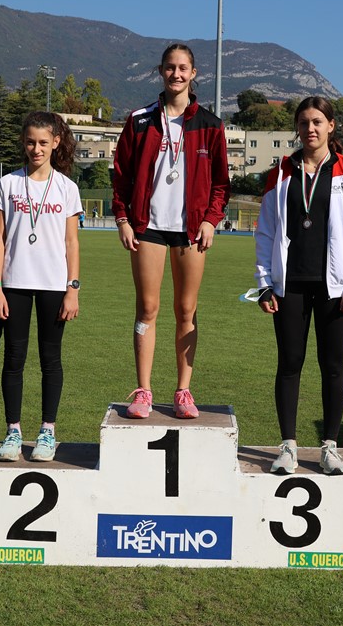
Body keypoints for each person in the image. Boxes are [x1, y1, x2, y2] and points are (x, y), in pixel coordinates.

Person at [254, 97, 343, 475]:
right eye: (304, 122)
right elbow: (266, 232)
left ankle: (330, 448)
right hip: (288, 284)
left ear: (331, 126)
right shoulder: (279, 173)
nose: (310, 128)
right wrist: (264, 283)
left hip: (334, 287)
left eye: (317, 121)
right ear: (297, 127)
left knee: (333, 365)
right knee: (289, 364)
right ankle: (288, 447)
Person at [112, 43, 230, 419]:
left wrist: (211, 220)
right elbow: (121, 176)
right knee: (147, 307)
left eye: (182, 68)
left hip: (191, 230)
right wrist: (122, 219)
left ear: (193, 74)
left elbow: (221, 183)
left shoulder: (210, 125)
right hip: (147, 227)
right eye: (169, 67)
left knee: (186, 309)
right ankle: (143, 391)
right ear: (160, 71)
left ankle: (183, 391)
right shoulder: (139, 120)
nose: (176, 74)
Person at [0, 111, 82, 463]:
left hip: (54, 285)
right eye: (30, 142)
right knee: (14, 357)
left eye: (43, 142)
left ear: (56, 142)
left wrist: (73, 288)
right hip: (13, 283)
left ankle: (47, 431)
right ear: (23, 143)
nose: (36, 149)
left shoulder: (67, 188)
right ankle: (13, 431)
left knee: (50, 359)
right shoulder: (8, 184)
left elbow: (72, 242)